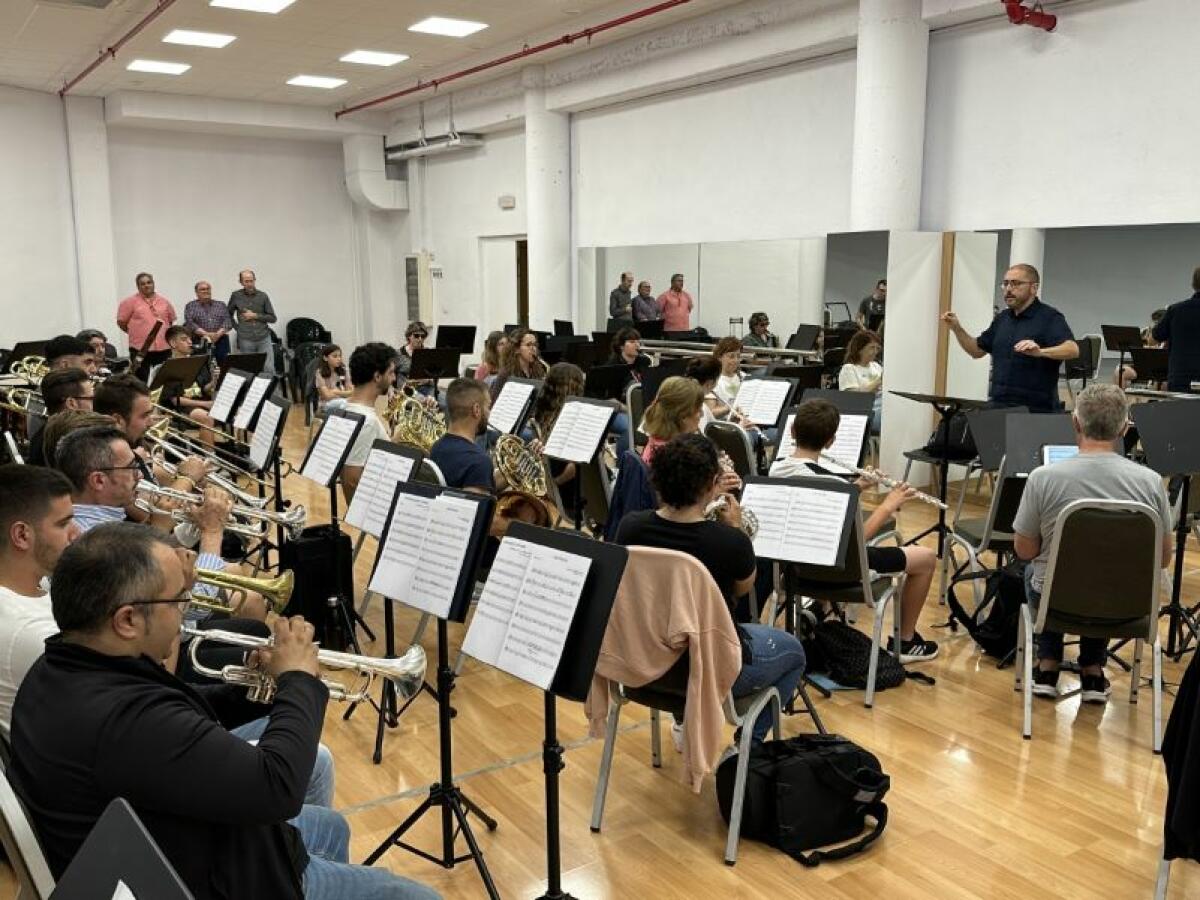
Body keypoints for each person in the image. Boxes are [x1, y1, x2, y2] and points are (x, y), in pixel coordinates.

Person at [8, 522, 439, 900]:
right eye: (178, 601)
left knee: (332, 828)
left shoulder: (65, 664)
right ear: (126, 620)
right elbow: (277, 787)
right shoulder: (127, 720)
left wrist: (258, 688)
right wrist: (299, 681)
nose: (184, 616)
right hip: (208, 877)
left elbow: (181, 718)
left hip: (175, 836)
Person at [615, 433, 806, 746]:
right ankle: (748, 745)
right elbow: (744, 588)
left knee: (679, 624)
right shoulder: (728, 541)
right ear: (709, 484)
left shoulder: (631, 526)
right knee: (795, 652)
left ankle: (681, 720)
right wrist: (734, 527)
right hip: (711, 671)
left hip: (644, 664)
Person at [1013, 384, 1172, 702]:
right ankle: (1093, 671)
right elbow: (1163, 558)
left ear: (1075, 423)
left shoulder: (1043, 477)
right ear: (1124, 428)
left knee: (1039, 574)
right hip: (1124, 606)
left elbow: (1025, 550)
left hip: (1056, 605)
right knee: (1106, 575)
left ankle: (1047, 665)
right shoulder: (1151, 482)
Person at [769, 400, 939, 661]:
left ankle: (816, 607)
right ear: (831, 441)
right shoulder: (836, 485)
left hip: (792, 568)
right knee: (926, 559)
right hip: (838, 571)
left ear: (791, 431)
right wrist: (888, 506)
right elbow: (858, 541)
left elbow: (814, 490)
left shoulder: (775, 470)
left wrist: (857, 486)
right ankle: (905, 641)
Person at [0, 465, 80, 735]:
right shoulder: (31, 632)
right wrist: (169, 605)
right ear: (22, 535)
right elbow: (139, 703)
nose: (76, 533)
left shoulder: (39, 582)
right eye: (63, 523)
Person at [941, 264, 1078, 412]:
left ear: (1034, 288)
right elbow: (976, 351)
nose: (1008, 289)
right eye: (1005, 283)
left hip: (1035, 410)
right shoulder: (1002, 319)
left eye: (1016, 283)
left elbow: (1072, 349)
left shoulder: (1049, 317)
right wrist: (956, 328)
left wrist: (1041, 352)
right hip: (999, 406)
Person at [339, 343, 396, 503]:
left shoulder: (344, 406)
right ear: (377, 377)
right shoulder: (367, 421)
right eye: (391, 373)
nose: (394, 378)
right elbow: (351, 478)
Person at [430, 378, 501, 494]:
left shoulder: (436, 447)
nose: (489, 413)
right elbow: (477, 510)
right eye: (488, 406)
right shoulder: (479, 462)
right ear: (476, 410)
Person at [151, 326, 217, 448]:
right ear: (173, 343)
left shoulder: (198, 361)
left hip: (204, 402)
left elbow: (204, 389)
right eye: (184, 339)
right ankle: (211, 459)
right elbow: (174, 399)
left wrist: (213, 381)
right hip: (182, 408)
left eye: (190, 339)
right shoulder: (168, 367)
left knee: (240, 414)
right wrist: (206, 404)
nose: (190, 342)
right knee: (205, 418)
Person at [26, 368, 94, 466]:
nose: (94, 404)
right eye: (91, 399)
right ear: (71, 403)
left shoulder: (44, 434)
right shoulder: (73, 442)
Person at [116, 272, 177, 379]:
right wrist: (137, 332)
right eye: (142, 284)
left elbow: (170, 321)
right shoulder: (129, 302)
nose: (146, 285)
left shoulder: (164, 301)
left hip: (163, 349)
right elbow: (121, 322)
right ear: (138, 286)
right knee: (140, 380)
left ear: (153, 283)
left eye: (149, 282)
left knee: (163, 379)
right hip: (140, 349)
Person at [1152, 267, 1200, 393]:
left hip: (1180, 378)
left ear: (1193, 285)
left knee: (1180, 412)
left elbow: (1157, 335)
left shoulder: (1175, 310)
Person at [227, 269, 277, 377]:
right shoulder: (236, 296)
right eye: (246, 281)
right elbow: (228, 315)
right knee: (249, 369)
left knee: (268, 368)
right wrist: (237, 328)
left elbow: (273, 318)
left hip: (263, 337)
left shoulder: (263, 296)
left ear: (255, 280)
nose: (249, 284)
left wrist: (255, 315)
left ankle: (271, 393)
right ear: (241, 282)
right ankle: (250, 393)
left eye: (251, 281)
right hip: (245, 338)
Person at [839, 329, 884, 434]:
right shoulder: (849, 369)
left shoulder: (876, 366)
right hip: (864, 410)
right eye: (871, 348)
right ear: (860, 349)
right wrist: (878, 382)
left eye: (877, 348)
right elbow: (854, 399)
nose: (875, 352)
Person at [490, 328, 548, 402]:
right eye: (529, 345)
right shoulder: (506, 374)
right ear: (516, 349)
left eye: (535, 345)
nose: (533, 349)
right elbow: (495, 402)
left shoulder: (539, 370)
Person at [184, 280, 234, 363]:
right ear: (196, 292)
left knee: (223, 365)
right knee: (201, 365)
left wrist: (217, 335)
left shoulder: (221, 305)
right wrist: (207, 334)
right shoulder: (190, 306)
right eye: (202, 289)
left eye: (208, 289)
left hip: (221, 340)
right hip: (199, 340)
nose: (206, 291)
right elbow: (190, 323)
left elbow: (228, 322)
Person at [396, 321, 434, 397]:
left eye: (422, 336)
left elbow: (435, 376)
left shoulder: (428, 353)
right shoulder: (398, 354)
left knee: (447, 402)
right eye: (416, 336)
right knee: (424, 401)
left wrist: (428, 380)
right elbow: (389, 376)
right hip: (408, 390)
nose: (420, 339)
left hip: (427, 388)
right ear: (409, 336)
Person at [314, 344, 351, 411]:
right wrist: (343, 393)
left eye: (340, 356)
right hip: (326, 404)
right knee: (346, 403)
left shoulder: (344, 370)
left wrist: (335, 392)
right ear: (325, 358)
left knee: (352, 404)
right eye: (335, 356)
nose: (339, 359)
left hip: (343, 401)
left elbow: (351, 392)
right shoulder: (320, 373)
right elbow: (327, 396)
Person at [711, 336, 744, 407]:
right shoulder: (712, 380)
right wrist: (729, 409)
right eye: (731, 356)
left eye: (738, 356)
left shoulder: (744, 377)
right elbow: (711, 412)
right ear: (719, 357)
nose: (736, 360)